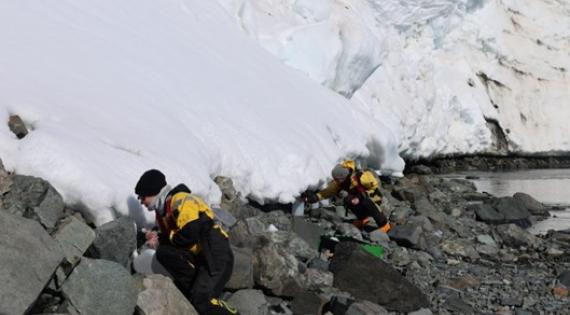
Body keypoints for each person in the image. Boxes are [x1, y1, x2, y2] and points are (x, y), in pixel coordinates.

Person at [135, 169, 237, 315]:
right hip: (201, 258)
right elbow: (174, 240)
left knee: (200, 301)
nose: (141, 201)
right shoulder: (163, 212)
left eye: (143, 196)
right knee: (164, 253)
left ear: (153, 192)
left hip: (216, 255)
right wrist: (156, 237)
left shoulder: (181, 200)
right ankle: (197, 291)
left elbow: (190, 233)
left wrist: (162, 239)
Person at [305, 160, 391, 233]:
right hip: (359, 200)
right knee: (347, 199)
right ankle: (363, 219)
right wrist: (316, 197)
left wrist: (359, 197)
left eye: (337, 179)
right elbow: (327, 192)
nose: (335, 181)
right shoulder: (339, 184)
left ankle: (384, 224)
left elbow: (374, 188)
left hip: (373, 198)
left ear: (343, 177)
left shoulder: (361, 177)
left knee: (366, 201)